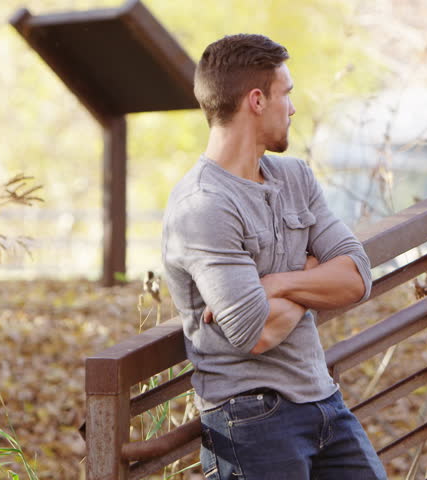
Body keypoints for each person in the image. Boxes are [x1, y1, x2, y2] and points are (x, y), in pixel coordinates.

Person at [161, 34, 387, 480]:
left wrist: (277, 285)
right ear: (258, 100)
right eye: (288, 94)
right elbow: (255, 332)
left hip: (323, 400)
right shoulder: (203, 206)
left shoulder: (294, 176)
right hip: (250, 418)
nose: (293, 108)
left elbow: (358, 277)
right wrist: (311, 272)